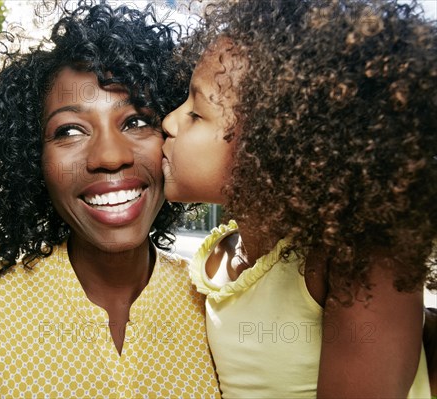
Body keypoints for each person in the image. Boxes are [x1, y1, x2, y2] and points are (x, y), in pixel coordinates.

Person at [0, 2, 221, 398]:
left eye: (135, 121)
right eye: (69, 131)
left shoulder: (216, 300)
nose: (109, 156)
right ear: (31, 158)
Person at [161, 0, 437, 397]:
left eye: (195, 113)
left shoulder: (354, 263)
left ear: (271, 140)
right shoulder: (220, 256)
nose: (169, 122)